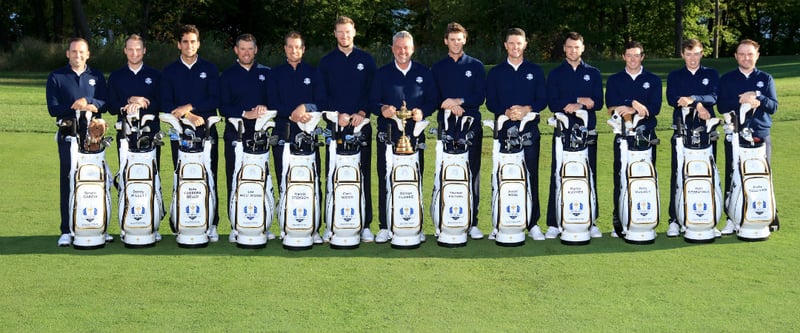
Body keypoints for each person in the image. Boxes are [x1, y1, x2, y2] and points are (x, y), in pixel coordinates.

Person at [369, 31, 437, 244]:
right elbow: (371, 101)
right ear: (392, 49)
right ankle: (384, 225)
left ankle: (415, 224)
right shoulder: (382, 74)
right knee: (385, 177)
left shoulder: (424, 73)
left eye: (406, 47)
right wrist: (383, 109)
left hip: (415, 134)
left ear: (412, 49)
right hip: (388, 134)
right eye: (398, 47)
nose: (402, 51)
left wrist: (422, 112)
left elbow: (433, 100)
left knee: (414, 179)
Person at [317, 16, 377, 242]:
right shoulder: (326, 62)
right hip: (335, 124)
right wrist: (336, 114)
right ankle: (330, 223)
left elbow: (374, 93)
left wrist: (362, 112)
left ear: (355, 32)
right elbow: (321, 96)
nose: (344, 36)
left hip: (361, 124)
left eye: (348, 32)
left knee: (362, 175)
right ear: (334, 34)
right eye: (340, 32)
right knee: (332, 175)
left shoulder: (366, 60)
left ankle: (365, 224)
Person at [160, 24, 221, 241]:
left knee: (209, 176)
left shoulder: (210, 68)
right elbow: (166, 103)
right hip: (180, 133)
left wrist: (188, 107)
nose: (189, 45)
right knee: (182, 175)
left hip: (207, 132)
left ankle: (212, 222)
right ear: (179, 44)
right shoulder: (169, 71)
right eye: (185, 41)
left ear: (198, 43)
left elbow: (215, 99)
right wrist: (187, 116)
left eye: (193, 41)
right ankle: (180, 221)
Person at [486, 28, 548, 241]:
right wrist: (506, 112)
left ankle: (532, 223)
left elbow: (542, 100)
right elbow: (490, 101)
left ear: (525, 44)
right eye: (511, 43)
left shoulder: (535, 70)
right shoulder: (496, 72)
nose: (515, 47)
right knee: (501, 177)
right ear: (505, 45)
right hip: (503, 132)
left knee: (530, 176)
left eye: (519, 43)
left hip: (529, 131)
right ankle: (498, 223)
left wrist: (526, 110)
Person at [46, 37, 109, 246]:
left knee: (97, 181)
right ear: (67, 54)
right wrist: (78, 106)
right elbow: (53, 109)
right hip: (68, 135)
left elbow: (105, 102)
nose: (78, 55)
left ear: (88, 54)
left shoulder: (96, 76)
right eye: (74, 52)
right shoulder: (56, 76)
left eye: (82, 52)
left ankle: (100, 226)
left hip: (94, 136)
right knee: (68, 180)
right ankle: (66, 229)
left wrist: (90, 102)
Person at [267, 31, 327, 244]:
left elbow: (321, 101)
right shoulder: (275, 74)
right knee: (285, 180)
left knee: (312, 180)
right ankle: (286, 226)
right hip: (282, 132)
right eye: (290, 46)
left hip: (308, 133)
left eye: (298, 47)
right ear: (285, 48)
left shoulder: (314, 72)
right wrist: (292, 113)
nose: (294, 50)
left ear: (304, 49)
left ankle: (314, 228)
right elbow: (272, 103)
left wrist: (306, 108)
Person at [430, 22, 486, 240]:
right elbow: (434, 98)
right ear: (446, 41)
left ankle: (472, 222)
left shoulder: (476, 65)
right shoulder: (437, 67)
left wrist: (458, 101)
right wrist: (449, 104)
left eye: (459, 39)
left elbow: (479, 97)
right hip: (446, 125)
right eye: (452, 39)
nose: (455, 43)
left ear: (465, 39)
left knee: (472, 173)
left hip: (471, 124)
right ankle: (444, 219)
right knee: (446, 172)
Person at [545, 31, 604, 239]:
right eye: (569, 47)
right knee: (558, 173)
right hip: (563, 131)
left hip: (587, 132)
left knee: (589, 174)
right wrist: (577, 100)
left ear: (583, 48)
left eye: (576, 47)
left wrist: (575, 101)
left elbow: (597, 101)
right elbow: (552, 102)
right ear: (564, 49)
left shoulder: (594, 73)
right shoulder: (555, 74)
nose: (573, 50)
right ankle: (553, 222)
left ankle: (591, 221)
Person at [717, 39, 779, 234]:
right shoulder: (727, 79)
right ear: (736, 56)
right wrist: (741, 101)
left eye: (750, 54)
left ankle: (767, 215)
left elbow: (774, 106)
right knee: (733, 175)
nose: (746, 57)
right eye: (742, 54)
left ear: (757, 55)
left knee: (762, 175)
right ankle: (732, 218)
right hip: (735, 135)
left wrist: (757, 97)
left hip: (761, 134)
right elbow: (722, 106)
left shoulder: (766, 78)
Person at [219, 33, 274, 242]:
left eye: (250, 48)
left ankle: (264, 223)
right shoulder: (227, 75)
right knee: (235, 179)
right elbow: (223, 106)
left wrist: (265, 108)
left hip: (261, 137)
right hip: (235, 135)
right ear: (236, 50)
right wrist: (244, 113)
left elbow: (274, 101)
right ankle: (236, 225)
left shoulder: (267, 73)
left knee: (262, 180)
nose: (247, 52)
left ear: (256, 49)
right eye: (242, 49)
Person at [605, 40, 662, 236]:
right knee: (621, 178)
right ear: (623, 56)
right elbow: (611, 106)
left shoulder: (653, 80)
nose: (632, 59)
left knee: (645, 179)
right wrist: (634, 103)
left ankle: (644, 219)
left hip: (646, 136)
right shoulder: (614, 80)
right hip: (622, 136)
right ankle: (619, 221)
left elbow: (654, 109)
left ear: (642, 56)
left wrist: (630, 106)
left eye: (636, 55)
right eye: (629, 55)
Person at [665, 39, 720, 237]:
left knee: (708, 174)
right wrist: (698, 104)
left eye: (696, 54)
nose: (692, 58)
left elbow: (714, 97)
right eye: (688, 54)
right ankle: (674, 219)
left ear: (702, 53)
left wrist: (693, 100)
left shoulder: (711, 74)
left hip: (707, 131)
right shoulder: (674, 76)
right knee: (679, 173)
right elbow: (673, 99)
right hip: (682, 131)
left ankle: (710, 219)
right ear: (682, 55)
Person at [107, 34, 163, 167]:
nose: (134, 53)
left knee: (151, 177)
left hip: (151, 132)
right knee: (126, 176)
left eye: (138, 49)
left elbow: (162, 103)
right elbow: (111, 107)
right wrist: (129, 100)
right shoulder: (116, 76)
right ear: (125, 50)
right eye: (130, 49)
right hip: (125, 133)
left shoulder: (155, 75)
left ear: (144, 50)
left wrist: (141, 104)